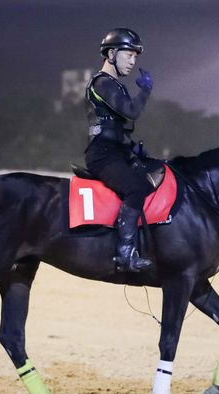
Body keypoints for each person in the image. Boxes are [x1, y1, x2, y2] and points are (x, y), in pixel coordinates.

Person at [84, 28, 154, 272]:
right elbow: (131, 111)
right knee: (135, 188)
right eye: (129, 55)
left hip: (118, 152)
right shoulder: (103, 83)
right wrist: (145, 90)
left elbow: (118, 128)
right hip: (103, 156)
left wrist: (134, 148)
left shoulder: (116, 86)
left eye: (136, 57)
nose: (133, 62)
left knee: (154, 177)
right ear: (112, 53)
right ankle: (124, 253)